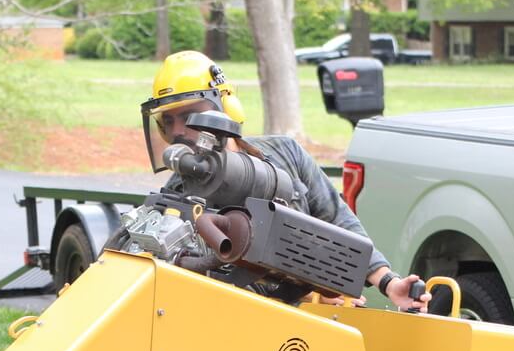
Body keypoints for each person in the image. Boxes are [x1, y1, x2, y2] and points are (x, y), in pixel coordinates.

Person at [140, 50, 429, 312]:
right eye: (168, 121)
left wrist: (389, 283)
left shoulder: (285, 152)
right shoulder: (176, 197)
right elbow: (203, 281)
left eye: (189, 115)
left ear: (225, 106)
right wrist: (307, 294)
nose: (177, 131)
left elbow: (339, 221)